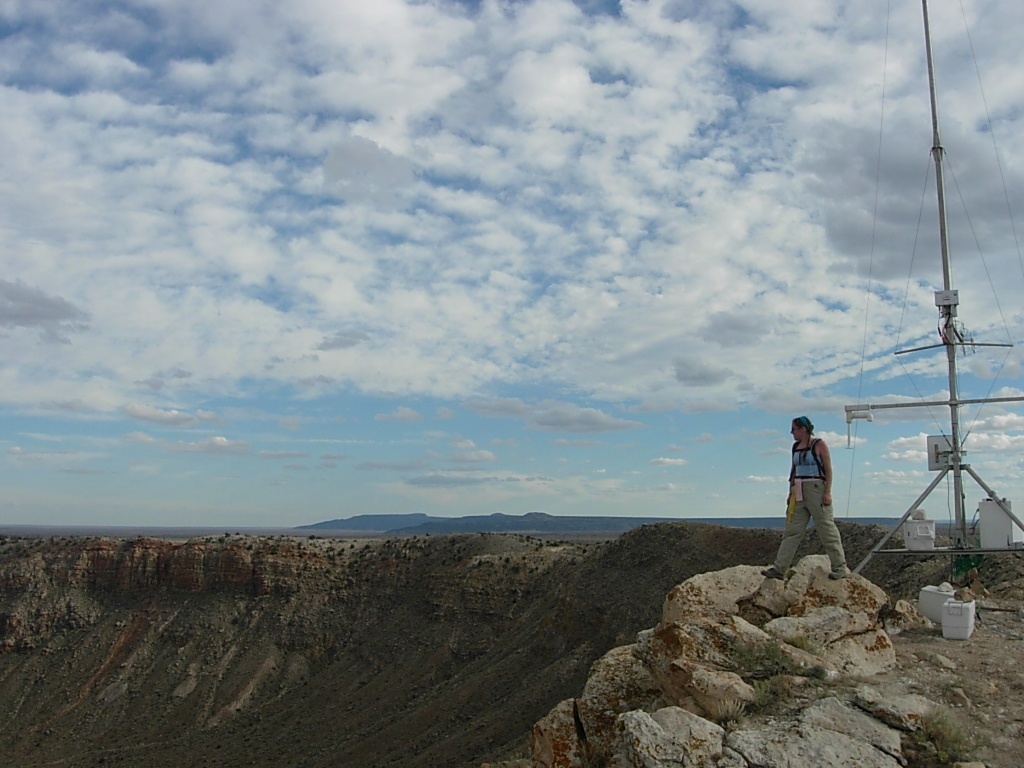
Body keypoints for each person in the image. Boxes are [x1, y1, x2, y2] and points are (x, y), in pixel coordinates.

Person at [762, 416, 848, 580]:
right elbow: (793, 471)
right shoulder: (795, 447)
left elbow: (828, 469)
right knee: (792, 531)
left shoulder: (819, 444)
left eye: (794, 429)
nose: (791, 432)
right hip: (798, 490)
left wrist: (827, 492)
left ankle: (839, 567)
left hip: (816, 488)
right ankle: (780, 568)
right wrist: (790, 493)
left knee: (826, 528)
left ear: (803, 429)